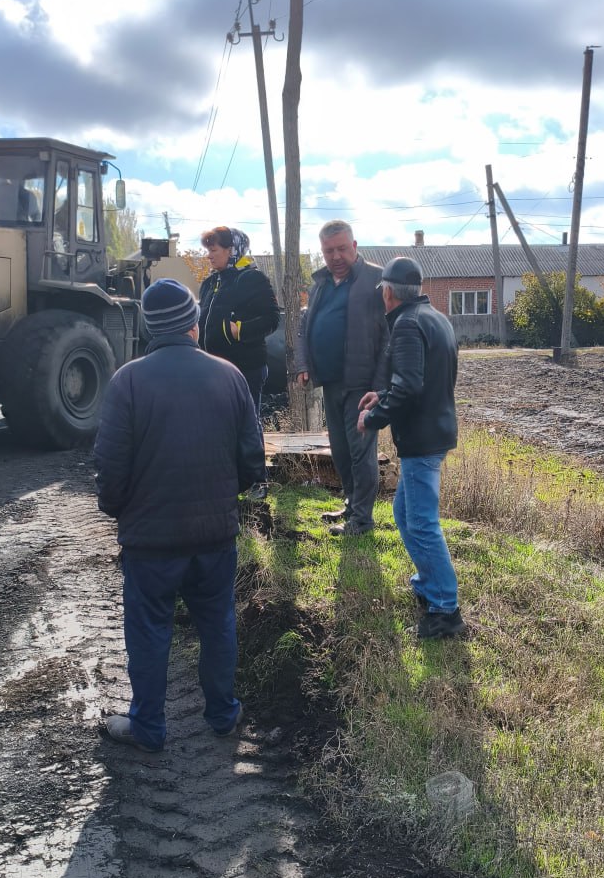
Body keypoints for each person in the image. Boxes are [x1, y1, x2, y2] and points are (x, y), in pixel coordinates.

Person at [94, 278, 266, 752]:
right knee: (217, 623)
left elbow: (110, 469)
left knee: (149, 631)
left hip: (150, 543)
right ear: (193, 322)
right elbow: (252, 461)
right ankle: (223, 714)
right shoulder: (229, 375)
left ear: (150, 328)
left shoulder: (127, 380)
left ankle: (147, 726)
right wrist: (220, 499)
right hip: (214, 537)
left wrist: (121, 511)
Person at [357, 256, 465, 640]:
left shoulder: (406, 324)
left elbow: (409, 387)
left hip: (422, 439)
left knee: (421, 522)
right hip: (433, 431)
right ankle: (428, 583)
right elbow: (420, 380)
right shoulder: (434, 317)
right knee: (404, 512)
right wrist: (382, 394)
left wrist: (374, 417)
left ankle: (445, 610)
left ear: (387, 292)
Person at [293, 220, 387, 536]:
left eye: (342, 249)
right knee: (341, 449)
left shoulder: (376, 279)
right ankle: (351, 505)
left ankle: (362, 520)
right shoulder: (320, 283)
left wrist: (380, 384)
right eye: (328, 250)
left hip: (362, 386)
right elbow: (305, 327)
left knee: (361, 453)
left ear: (355, 246)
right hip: (330, 382)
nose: (335, 256)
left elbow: (389, 337)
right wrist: (303, 364)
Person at [198, 226, 280, 416]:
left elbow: (271, 318)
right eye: (207, 251)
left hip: (245, 368)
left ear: (231, 250)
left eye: (213, 250)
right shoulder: (209, 283)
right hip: (213, 367)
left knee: (247, 426)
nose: (209, 256)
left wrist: (239, 330)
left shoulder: (252, 278)